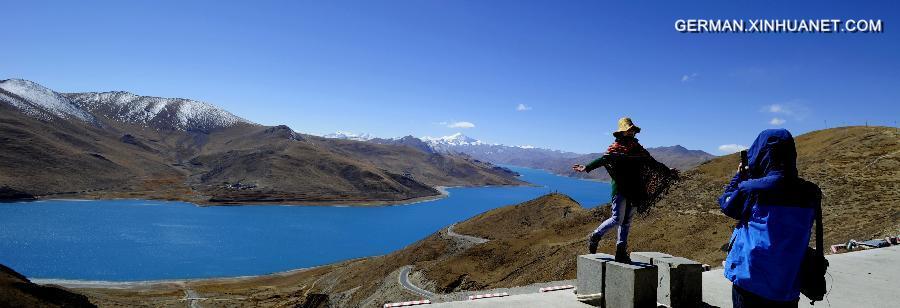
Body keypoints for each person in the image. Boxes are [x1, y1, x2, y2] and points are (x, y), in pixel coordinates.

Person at [719, 129, 821, 308]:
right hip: (787, 286)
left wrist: (740, 177)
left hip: (750, 282)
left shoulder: (753, 189)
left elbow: (727, 204)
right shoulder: (811, 192)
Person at [573, 117, 678, 262]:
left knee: (627, 221)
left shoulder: (639, 150)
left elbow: (653, 163)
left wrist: (667, 170)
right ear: (621, 132)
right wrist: (587, 167)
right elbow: (604, 160)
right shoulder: (615, 149)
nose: (630, 133)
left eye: (632, 130)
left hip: (636, 189)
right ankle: (596, 235)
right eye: (628, 130)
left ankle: (621, 252)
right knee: (617, 219)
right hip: (620, 189)